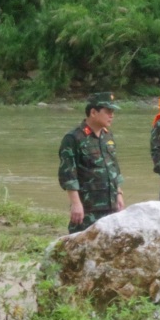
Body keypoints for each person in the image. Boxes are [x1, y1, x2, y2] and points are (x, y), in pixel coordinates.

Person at [58, 92, 125, 233]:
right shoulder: (73, 138)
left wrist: (119, 194)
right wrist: (76, 204)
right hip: (88, 207)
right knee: (81, 246)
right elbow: (68, 175)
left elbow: (114, 168)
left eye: (112, 112)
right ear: (93, 112)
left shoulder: (108, 136)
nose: (111, 115)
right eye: (108, 111)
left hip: (111, 205)